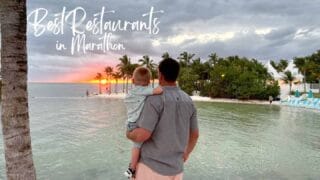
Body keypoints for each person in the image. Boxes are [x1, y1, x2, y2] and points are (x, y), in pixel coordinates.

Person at [127, 58, 199, 180]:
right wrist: (186, 153)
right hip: (176, 170)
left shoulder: (155, 99)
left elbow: (142, 135)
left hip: (151, 169)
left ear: (160, 75)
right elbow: (195, 134)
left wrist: (129, 134)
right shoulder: (188, 100)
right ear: (176, 75)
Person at [124, 66, 163, 178]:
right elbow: (159, 90)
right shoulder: (143, 90)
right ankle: (132, 168)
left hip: (130, 123)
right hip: (136, 124)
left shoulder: (132, 92)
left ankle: (132, 168)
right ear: (148, 82)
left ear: (132, 81)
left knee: (136, 146)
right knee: (137, 146)